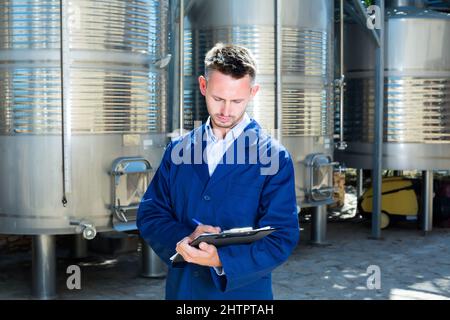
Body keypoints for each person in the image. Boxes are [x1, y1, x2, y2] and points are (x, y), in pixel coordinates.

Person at [137, 43, 299, 300]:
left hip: (243, 297)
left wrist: (222, 260)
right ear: (203, 86)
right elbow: (150, 213)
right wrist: (185, 237)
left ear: (253, 92)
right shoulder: (178, 150)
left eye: (237, 101)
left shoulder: (274, 157)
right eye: (217, 98)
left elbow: (282, 237)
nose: (226, 110)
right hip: (184, 293)